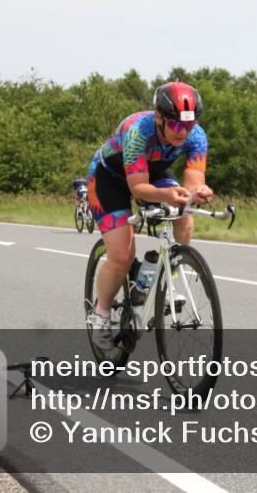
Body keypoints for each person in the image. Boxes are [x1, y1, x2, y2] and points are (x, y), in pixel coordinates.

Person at [85, 82, 214, 351]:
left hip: (152, 174)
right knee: (121, 256)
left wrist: (197, 192)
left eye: (189, 126)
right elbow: (138, 189)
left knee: (184, 218)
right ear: (159, 117)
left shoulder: (196, 136)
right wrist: (167, 196)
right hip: (110, 178)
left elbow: (192, 181)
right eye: (177, 126)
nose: (184, 133)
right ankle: (101, 314)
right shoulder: (138, 130)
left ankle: (168, 278)